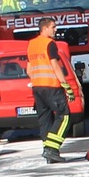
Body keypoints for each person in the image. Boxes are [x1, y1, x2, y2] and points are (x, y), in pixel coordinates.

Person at [27, 16, 75, 164]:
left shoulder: (31, 44)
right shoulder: (50, 44)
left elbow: (29, 69)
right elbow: (55, 66)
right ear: (45, 28)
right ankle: (52, 149)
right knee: (64, 116)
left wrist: (36, 80)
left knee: (45, 119)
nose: (56, 29)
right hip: (51, 86)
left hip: (37, 87)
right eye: (53, 27)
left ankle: (48, 151)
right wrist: (66, 86)